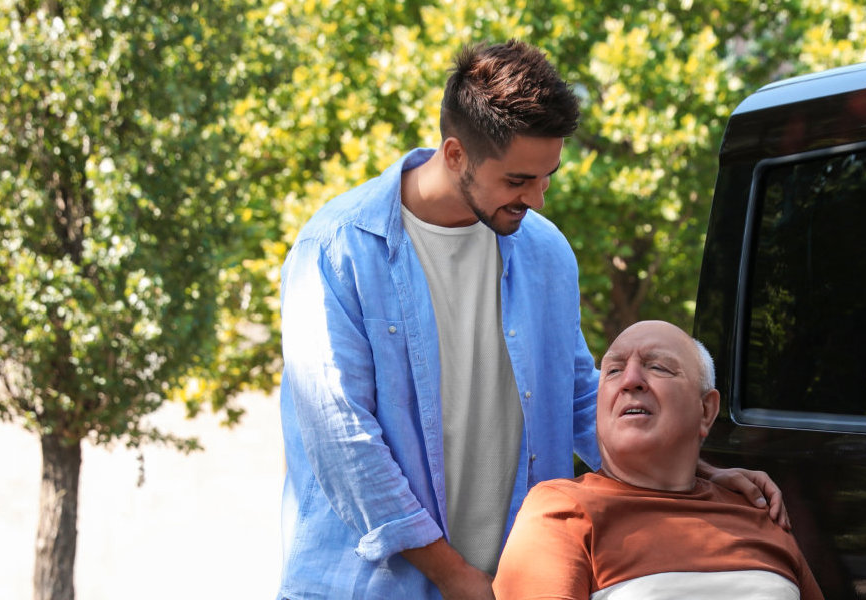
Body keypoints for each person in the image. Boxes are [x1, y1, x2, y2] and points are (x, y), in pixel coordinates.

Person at [276, 42, 784, 600]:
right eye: (519, 181)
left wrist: (704, 473)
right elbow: (344, 441)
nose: (538, 199)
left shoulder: (544, 251)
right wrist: (454, 576)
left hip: (515, 581)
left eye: (548, 177)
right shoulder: (337, 250)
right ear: (454, 155)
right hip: (374, 588)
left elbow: (580, 400)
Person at [494, 321, 823, 600]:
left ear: (706, 410)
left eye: (657, 367)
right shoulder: (564, 509)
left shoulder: (757, 509)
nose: (630, 380)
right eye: (613, 370)